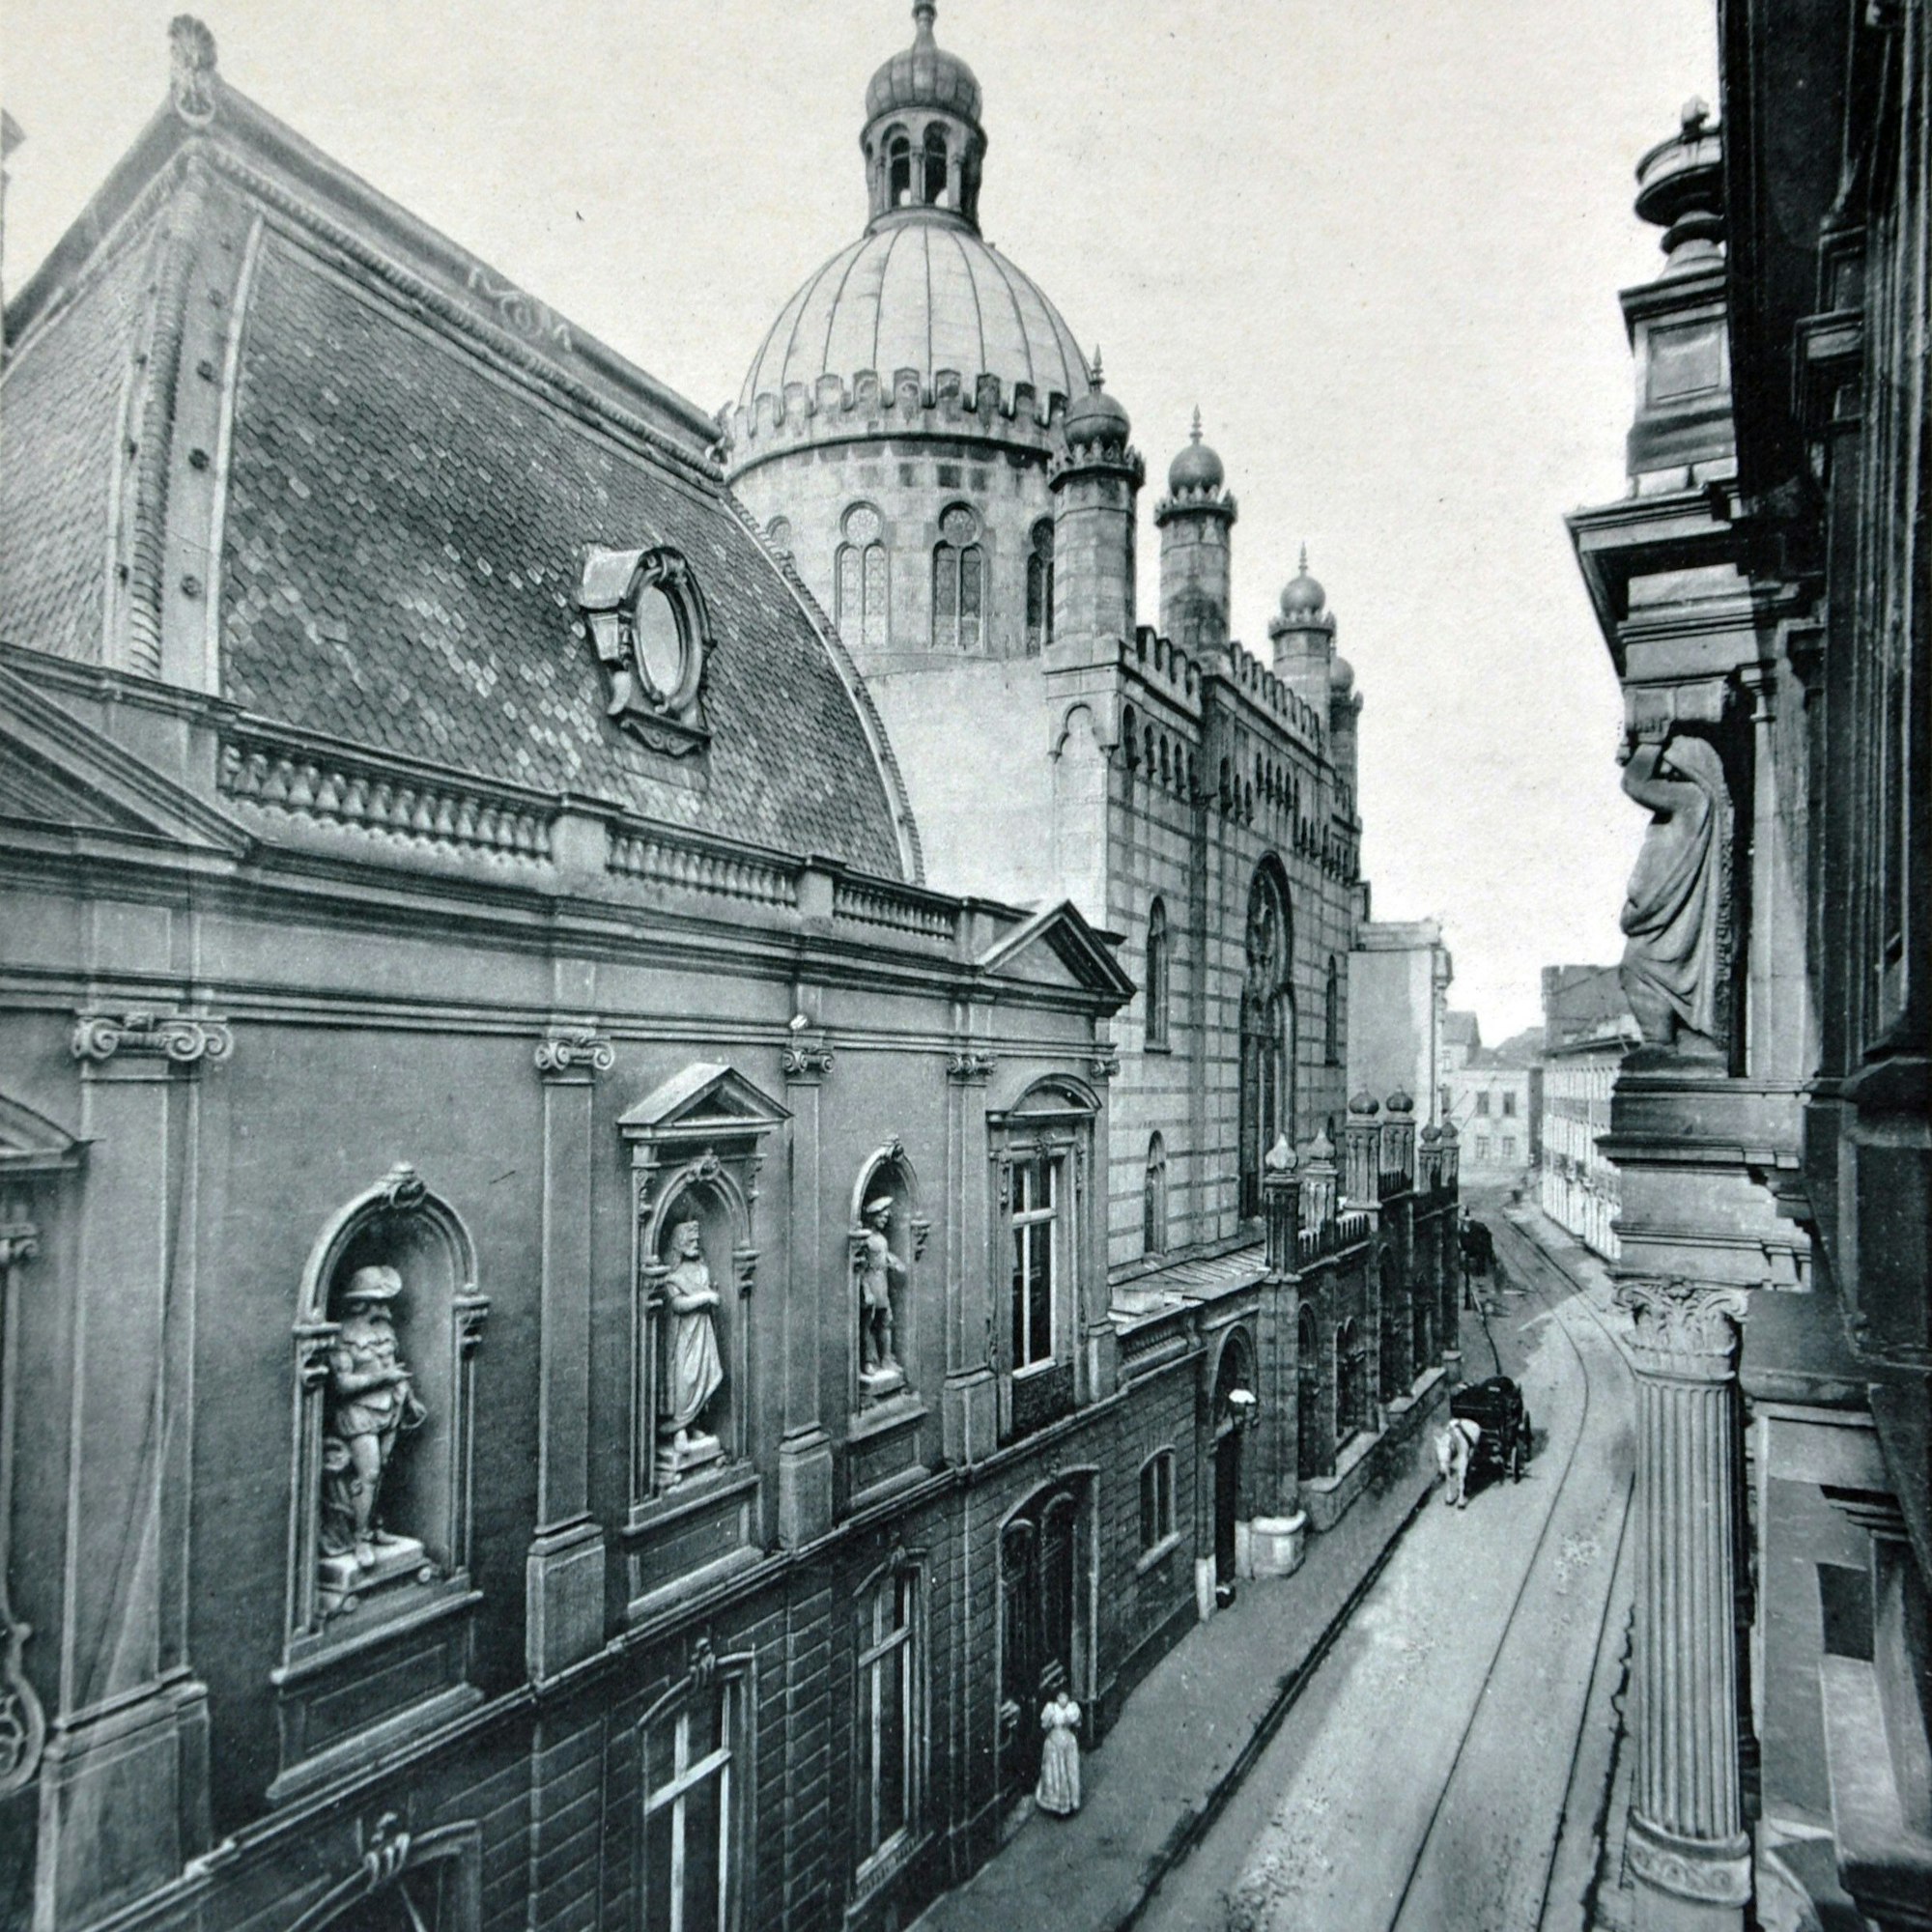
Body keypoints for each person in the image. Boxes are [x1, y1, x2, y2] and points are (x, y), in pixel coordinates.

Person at [321, 1264, 427, 1568]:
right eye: (379, 1302)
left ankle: (373, 1526)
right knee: (367, 1474)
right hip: (358, 1413)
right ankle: (359, 1539)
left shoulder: (384, 1331)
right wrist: (384, 1378)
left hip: (389, 1409)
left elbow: (394, 1367)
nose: (385, 1308)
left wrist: (409, 1395)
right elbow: (341, 1384)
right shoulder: (343, 1335)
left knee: (381, 1469)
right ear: (361, 1303)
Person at [660, 1219, 724, 1469]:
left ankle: (694, 1423)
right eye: (691, 1240)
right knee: (685, 1380)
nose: (696, 1244)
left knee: (705, 1377)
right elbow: (677, 1305)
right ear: (679, 1243)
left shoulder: (701, 1269)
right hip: (683, 1338)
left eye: (697, 1241)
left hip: (703, 1334)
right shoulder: (673, 1276)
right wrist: (705, 1297)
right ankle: (679, 1429)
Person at [858, 1194, 906, 1377]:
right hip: (870, 1283)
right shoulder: (867, 1239)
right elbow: (861, 1265)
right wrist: (866, 1290)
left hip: (882, 1284)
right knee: (868, 1325)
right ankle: (869, 1361)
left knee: (886, 1322)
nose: (885, 1221)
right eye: (882, 1217)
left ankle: (886, 1358)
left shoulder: (881, 1239)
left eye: (886, 1218)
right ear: (873, 1216)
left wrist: (894, 1262)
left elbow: (884, 1256)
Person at [1036, 1689, 1082, 1816]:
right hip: (1054, 1743)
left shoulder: (1072, 1709)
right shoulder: (1051, 1709)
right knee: (1055, 1771)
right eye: (1060, 1697)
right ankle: (1054, 1802)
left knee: (1069, 1770)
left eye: (1065, 1697)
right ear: (1056, 1698)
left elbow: (1077, 1723)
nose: (1063, 1699)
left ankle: (1070, 1801)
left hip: (1068, 1743)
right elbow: (1045, 1725)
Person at [1435, 1413, 1482, 1509]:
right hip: (1452, 1435)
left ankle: (1461, 1496)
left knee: (1462, 1474)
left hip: (1461, 1446)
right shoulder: (1447, 1439)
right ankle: (1449, 1494)